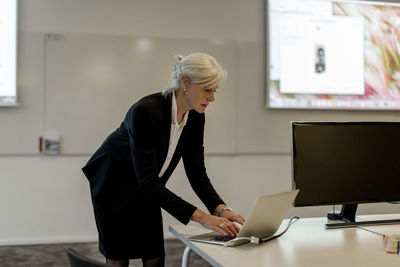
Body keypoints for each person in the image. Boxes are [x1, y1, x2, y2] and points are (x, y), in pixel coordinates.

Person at [82, 52, 245, 267]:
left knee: (154, 257)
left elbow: (196, 173)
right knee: (119, 259)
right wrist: (206, 219)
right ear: (185, 82)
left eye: (215, 90)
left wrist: (221, 209)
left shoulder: (196, 117)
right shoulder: (146, 111)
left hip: (148, 187)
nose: (212, 97)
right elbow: (149, 183)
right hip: (114, 186)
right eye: (207, 89)